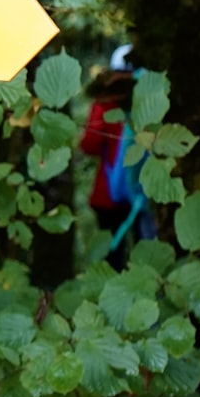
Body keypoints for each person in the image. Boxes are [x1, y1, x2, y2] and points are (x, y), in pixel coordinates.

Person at [80, 45, 136, 271]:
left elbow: (89, 144)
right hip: (142, 193)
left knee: (113, 256)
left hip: (110, 193)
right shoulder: (148, 96)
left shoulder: (104, 102)